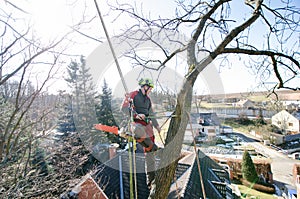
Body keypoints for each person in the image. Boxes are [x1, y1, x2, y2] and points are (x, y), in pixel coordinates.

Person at [121, 77, 161, 187]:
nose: (150, 91)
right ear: (145, 86)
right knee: (138, 131)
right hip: (135, 124)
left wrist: (157, 125)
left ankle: (151, 179)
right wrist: (136, 115)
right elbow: (124, 109)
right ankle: (149, 145)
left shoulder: (148, 100)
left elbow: (151, 114)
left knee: (150, 152)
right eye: (150, 88)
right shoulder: (133, 95)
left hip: (146, 125)